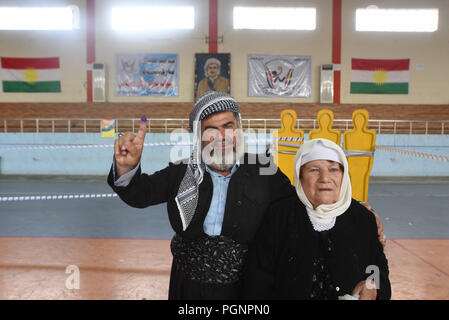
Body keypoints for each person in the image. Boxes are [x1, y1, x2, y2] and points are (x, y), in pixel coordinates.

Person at [107, 91, 294, 299]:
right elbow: (140, 194)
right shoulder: (181, 172)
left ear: (239, 128)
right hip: (188, 287)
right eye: (210, 130)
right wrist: (126, 167)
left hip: (247, 286)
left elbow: (294, 213)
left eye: (228, 126)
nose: (222, 137)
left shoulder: (264, 170)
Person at [242, 138, 391, 300]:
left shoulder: (363, 218)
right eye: (314, 170)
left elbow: (377, 268)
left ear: (343, 175)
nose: (324, 178)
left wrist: (372, 285)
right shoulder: (279, 216)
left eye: (333, 169)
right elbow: (256, 280)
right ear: (300, 177)